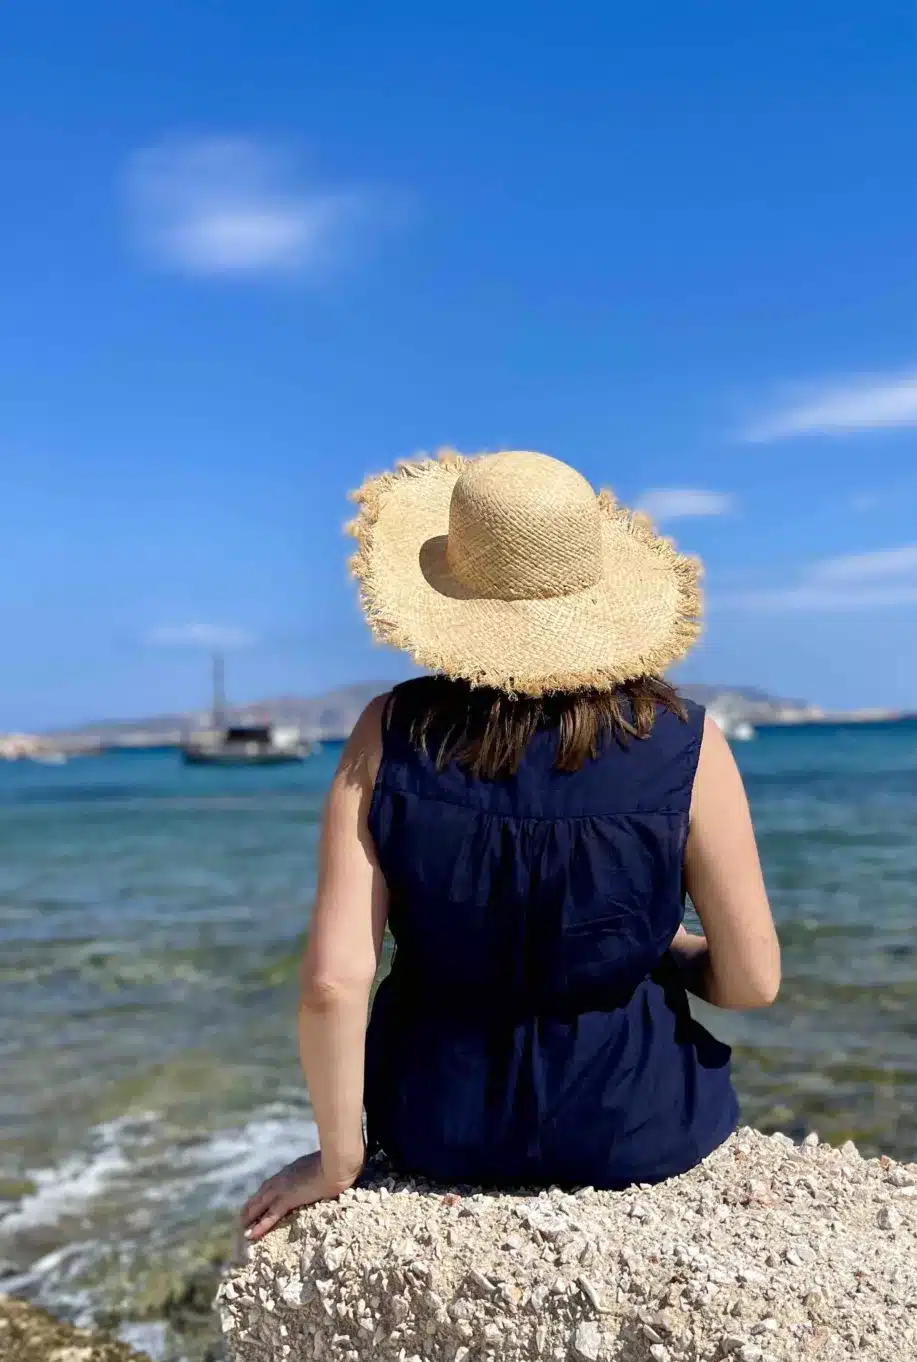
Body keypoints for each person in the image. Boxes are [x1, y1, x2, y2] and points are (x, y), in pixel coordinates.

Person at [241, 450, 780, 1239]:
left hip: (438, 1123)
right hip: (637, 1122)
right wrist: (661, 948)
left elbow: (332, 981)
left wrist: (337, 1159)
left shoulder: (388, 734)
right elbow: (752, 982)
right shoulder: (688, 743)